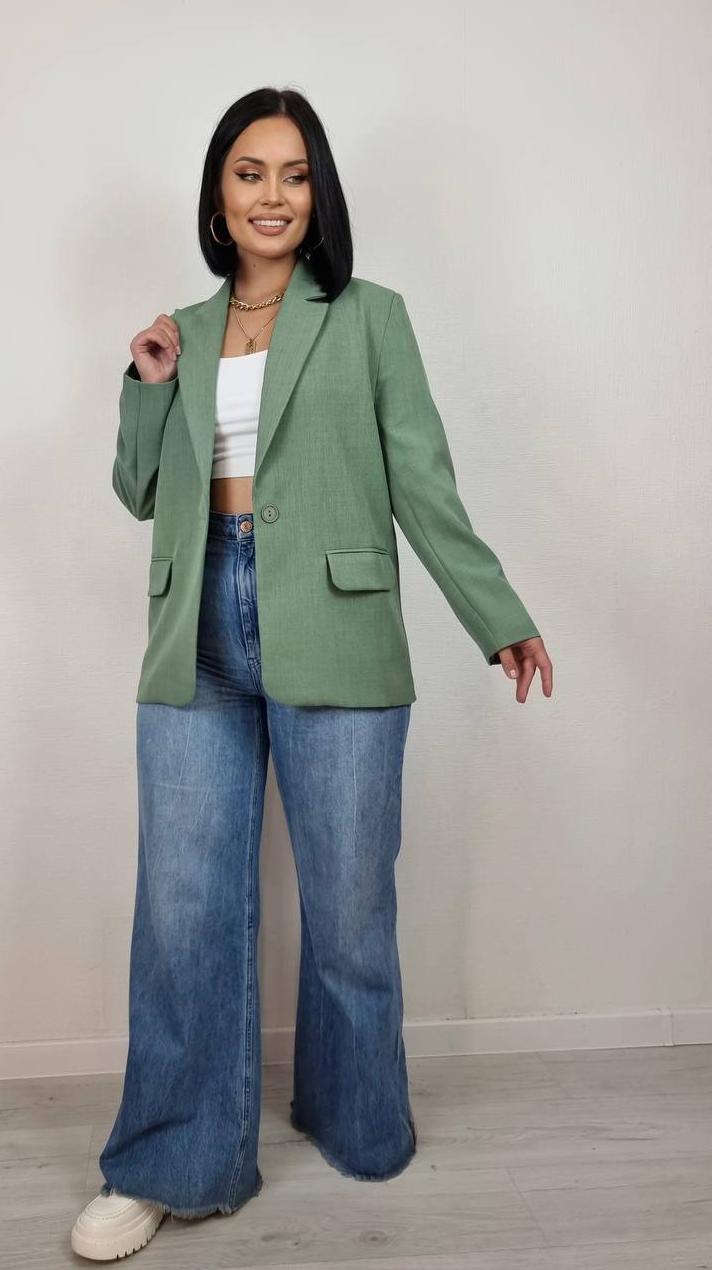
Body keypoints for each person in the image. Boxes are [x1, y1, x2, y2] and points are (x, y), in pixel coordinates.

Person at [72, 86, 553, 1261]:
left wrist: (493, 614)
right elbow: (139, 492)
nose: (272, 195)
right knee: (182, 907)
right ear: (217, 194)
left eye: (293, 174)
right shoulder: (183, 330)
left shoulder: (369, 317)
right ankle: (170, 1158)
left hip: (335, 620)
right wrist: (145, 385)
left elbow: (421, 484)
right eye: (250, 172)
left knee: (345, 911)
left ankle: (353, 1116)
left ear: (317, 193)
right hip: (196, 629)